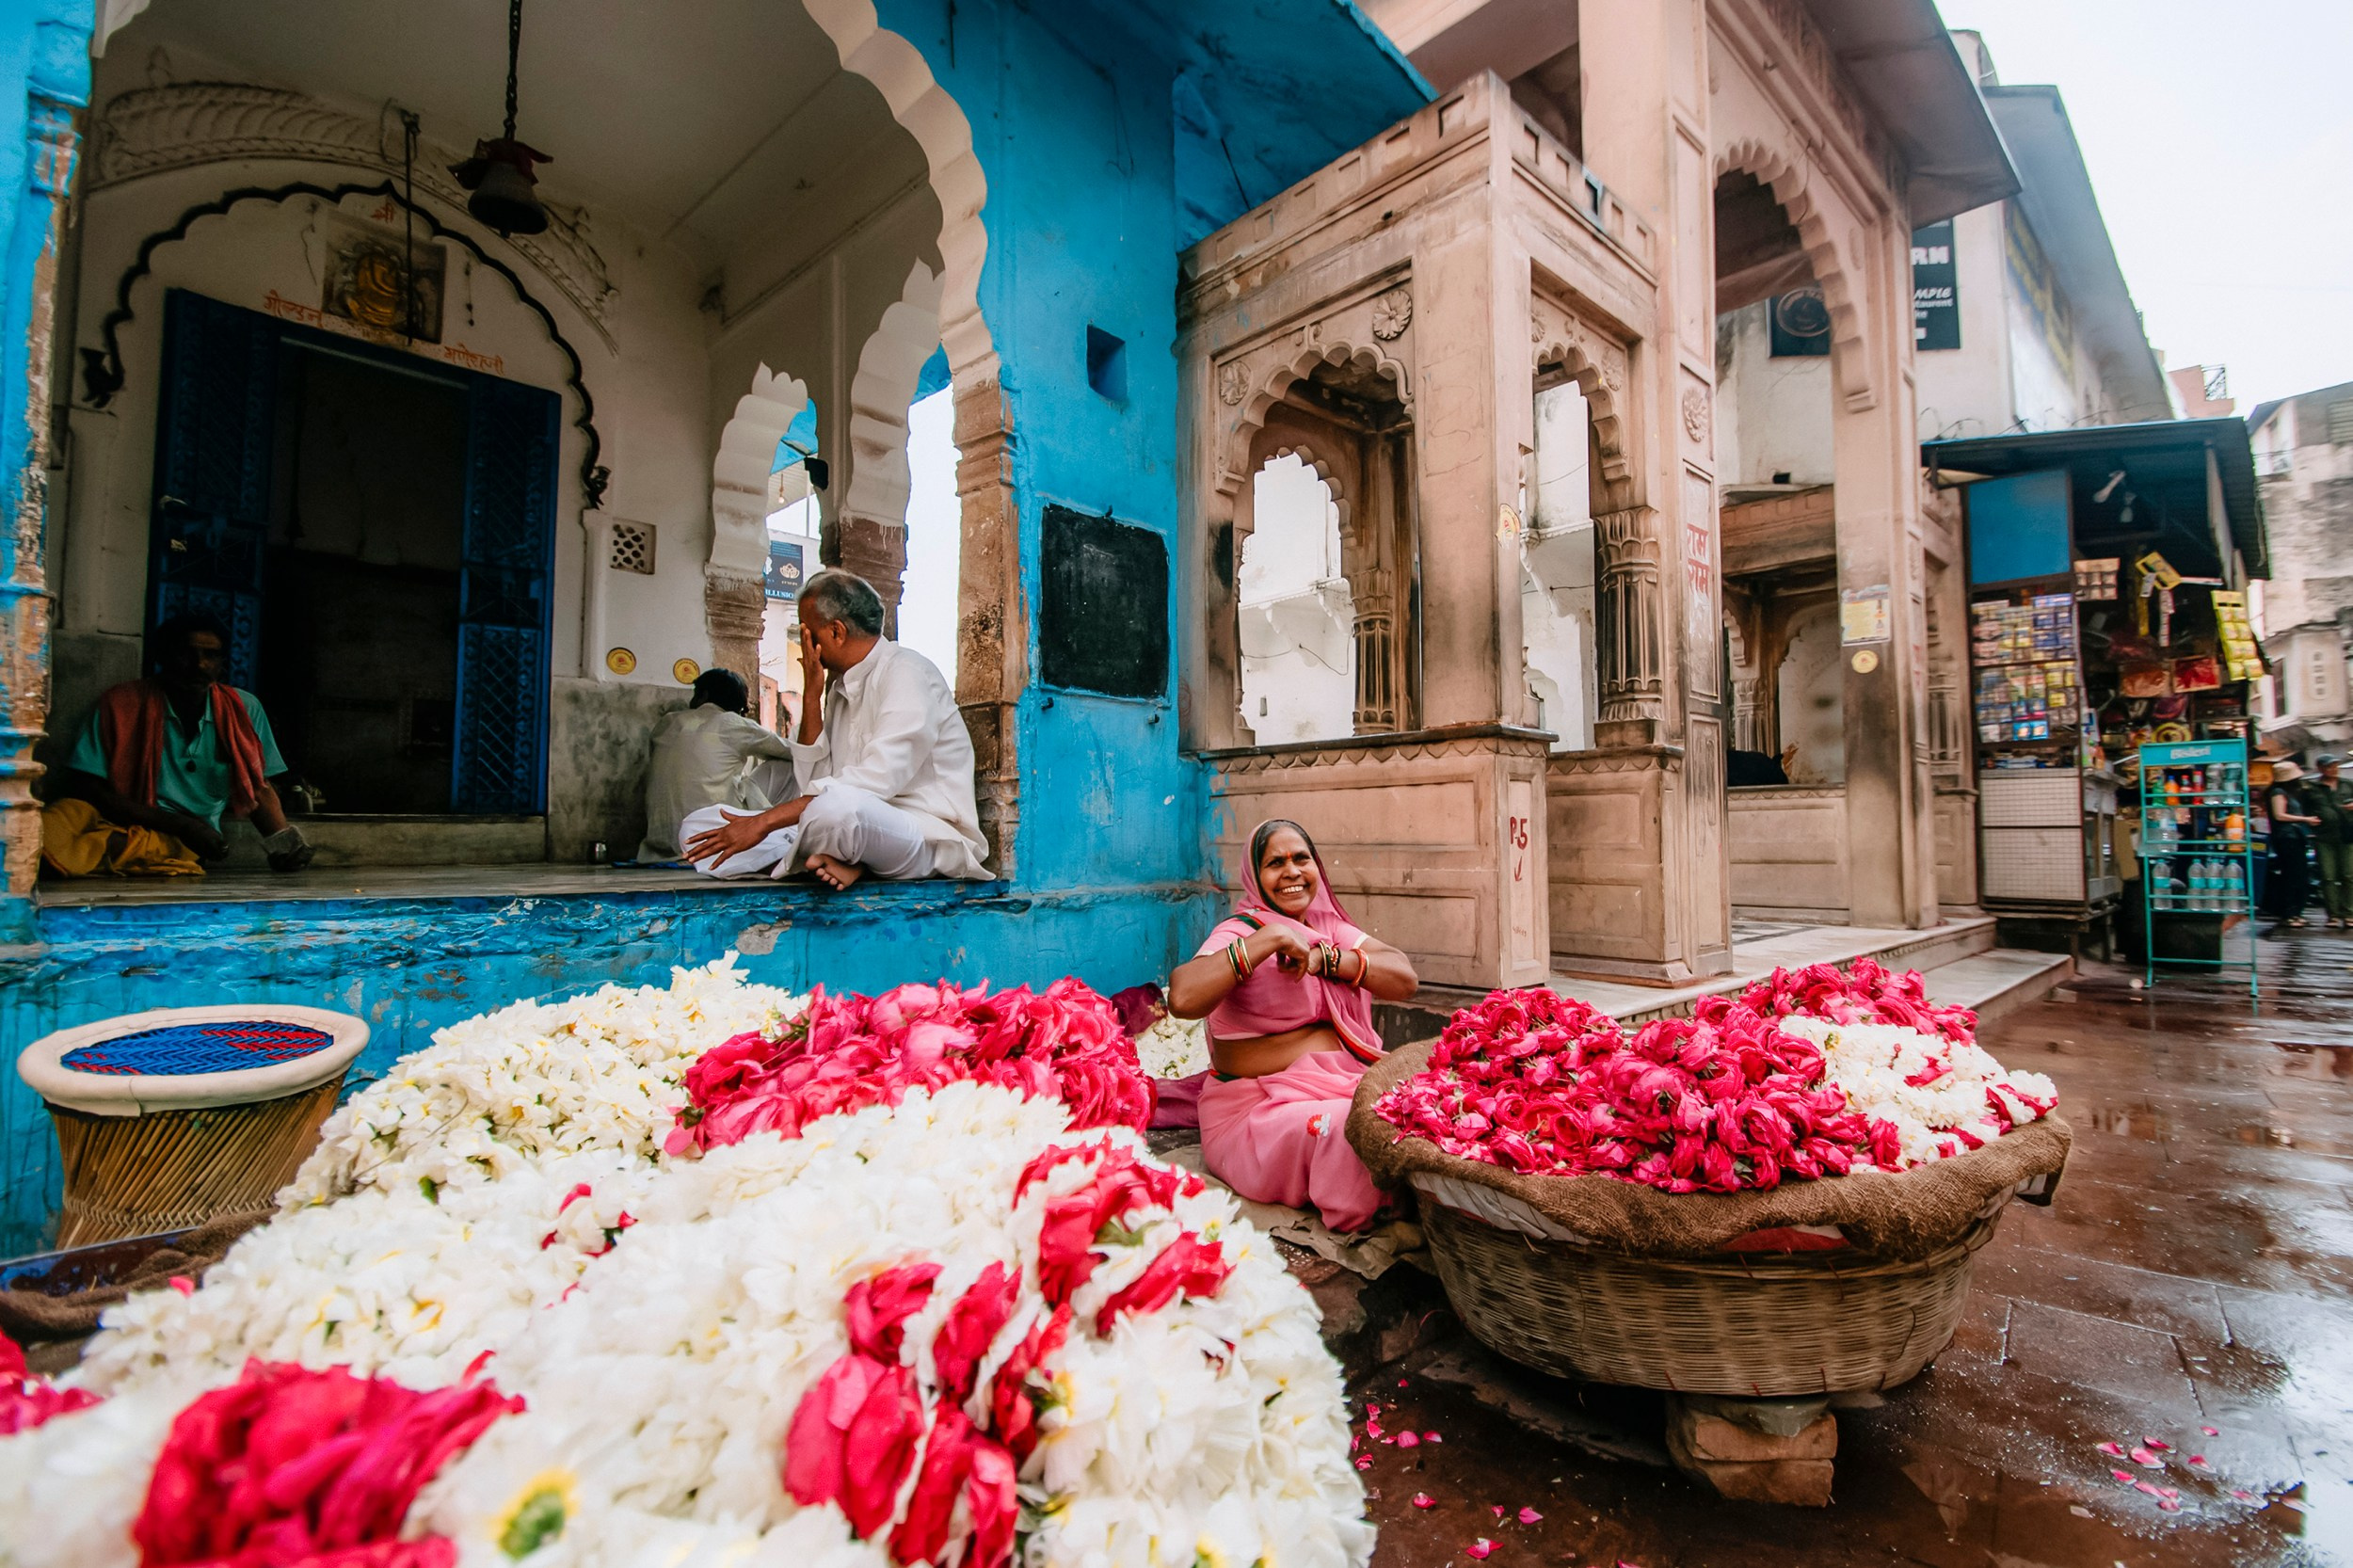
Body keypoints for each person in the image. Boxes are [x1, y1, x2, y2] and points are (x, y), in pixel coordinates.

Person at [1165, 820, 1419, 1232]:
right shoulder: (1238, 931)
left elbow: (1404, 978)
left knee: (1420, 1108)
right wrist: (1270, 939)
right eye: (1275, 863)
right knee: (1348, 1128)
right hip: (1256, 1109)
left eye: (1302, 859)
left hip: (1346, 1081)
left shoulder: (1329, 928)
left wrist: (1328, 960)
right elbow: (1182, 997)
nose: (1292, 872)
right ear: (1255, 875)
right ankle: (1374, 1212)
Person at [682, 570, 987, 888]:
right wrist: (812, 695)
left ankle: (828, 861)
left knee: (837, 809)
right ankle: (826, 862)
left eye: (806, 632)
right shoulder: (840, 687)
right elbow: (812, 781)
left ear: (836, 632)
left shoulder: (906, 671)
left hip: (921, 833)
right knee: (697, 827)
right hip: (847, 827)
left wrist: (763, 822)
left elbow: (873, 783)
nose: (804, 644)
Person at [44, 613, 312, 876]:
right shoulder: (122, 703)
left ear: (222, 664)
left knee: (107, 846)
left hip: (183, 838)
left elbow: (257, 786)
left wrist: (282, 844)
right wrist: (181, 824)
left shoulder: (244, 708)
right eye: (187, 653)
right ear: (163, 657)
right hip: (121, 814)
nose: (200, 665)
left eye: (211, 656)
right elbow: (87, 785)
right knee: (47, 825)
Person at [635, 669, 794, 862]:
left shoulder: (668, 722)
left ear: (703, 695)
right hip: (713, 842)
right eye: (744, 710)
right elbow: (794, 752)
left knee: (739, 779)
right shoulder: (731, 723)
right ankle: (777, 840)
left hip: (658, 849)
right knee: (793, 767)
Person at [2265, 760, 2318, 931]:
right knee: (2292, 875)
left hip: (2295, 837)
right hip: (2286, 838)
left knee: (2299, 875)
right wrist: (2305, 819)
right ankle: (2289, 913)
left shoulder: (2288, 793)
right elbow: (2279, 815)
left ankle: (2296, 912)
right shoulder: (2278, 792)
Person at [2313, 756, 2353, 930]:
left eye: (2335, 766)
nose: (2333, 769)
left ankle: (2350, 913)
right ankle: (2333, 915)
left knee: (2349, 875)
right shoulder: (2312, 788)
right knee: (2328, 877)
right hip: (2324, 837)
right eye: (2329, 766)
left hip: (2347, 835)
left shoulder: (2348, 784)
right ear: (2320, 768)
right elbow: (2305, 810)